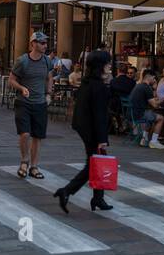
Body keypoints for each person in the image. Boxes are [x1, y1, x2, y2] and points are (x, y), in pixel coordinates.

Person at [54, 51, 114, 214]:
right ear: (100, 66)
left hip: (84, 128)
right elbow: (100, 115)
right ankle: (66, 191)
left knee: (97, 161)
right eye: (107, 63)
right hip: (92, 130)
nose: (110, 66)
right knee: (93, 165)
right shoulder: (99, 87)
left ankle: (98, 198)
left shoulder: (88, 83)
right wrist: (102, 138)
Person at [9, 31, 54, 178]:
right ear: (33, 44)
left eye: (46, 43)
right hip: (23, 103)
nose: (45, 45)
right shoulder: (22, 61)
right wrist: (21, 88)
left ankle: (34, 166)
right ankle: (24, 161)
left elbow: (49, 78)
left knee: (37, 136)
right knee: (25, 134)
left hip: (40, 103)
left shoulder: (47, 61)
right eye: (42, 43)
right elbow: (11, 80)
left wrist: (48, 94)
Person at [130, 68, 164, 149]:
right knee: (161, 118)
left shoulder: (139, 85)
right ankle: (154, 141)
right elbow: (155, 105)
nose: (154, 80)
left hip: (133, 114)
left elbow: (150, 101)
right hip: (140, 115)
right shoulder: (146, 88)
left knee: (151, 114)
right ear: (149, 77)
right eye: (153, 78)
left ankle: (144, 139)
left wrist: (154, 90)